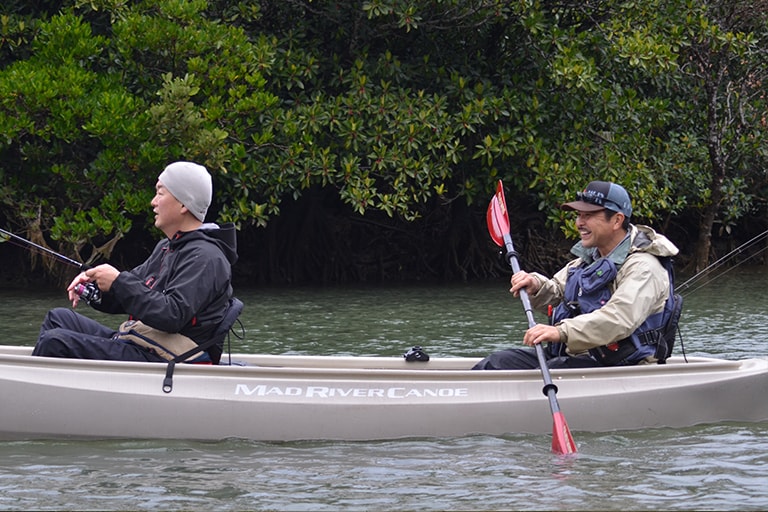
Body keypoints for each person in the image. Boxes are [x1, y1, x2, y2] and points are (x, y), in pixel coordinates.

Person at [32, 161, 238, 365]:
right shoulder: (167, 247)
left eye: (160, 193)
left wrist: (118, 281)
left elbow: (172, 315)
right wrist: (91, 288)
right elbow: (128, 296)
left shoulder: (207, 257)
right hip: (144, 344)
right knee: (58, 318)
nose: (153, 202)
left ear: (184, 203)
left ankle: (35, 392)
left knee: (55, 341)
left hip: (167, 358)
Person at [473, 180, 680, 370]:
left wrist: (561, 332)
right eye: (579, 215)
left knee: (550, 371)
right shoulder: (589, 259)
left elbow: (619, 319)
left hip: (622, 365)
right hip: (578, 356)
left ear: (617, 220)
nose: (579, 223)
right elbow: (557, 291)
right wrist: (535, 285)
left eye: (588, 215)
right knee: (495, 363)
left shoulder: (644, 266)